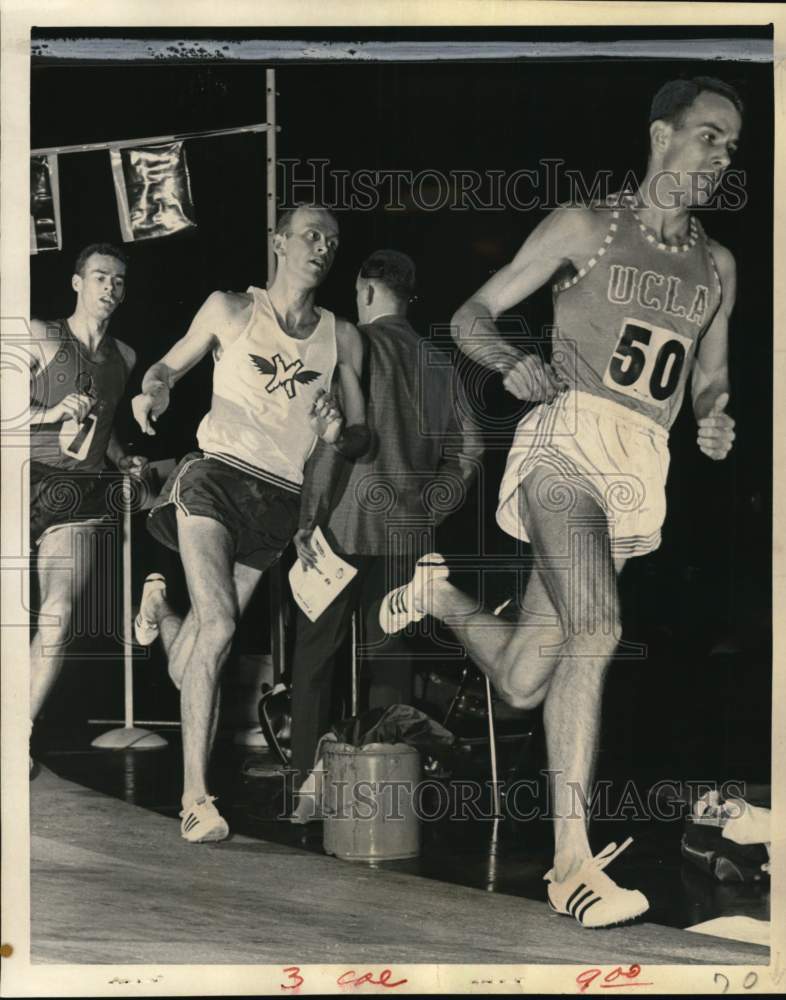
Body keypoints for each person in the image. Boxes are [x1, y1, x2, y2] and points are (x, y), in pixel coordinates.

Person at [380, 77, 740, 927]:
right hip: (564, 443)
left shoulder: (716, 265)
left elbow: (710, 376)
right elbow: (472, 315)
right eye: (708, 136)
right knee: (600, 627)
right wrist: (509, 362)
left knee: (524, 678)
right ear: (660, 135)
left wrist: (715, 416)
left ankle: (438, 597)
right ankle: (570, 862)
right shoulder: (587, 225)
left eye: (733, 145)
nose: (722, 157)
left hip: (639, 467)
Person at [131, 205, 367, 844]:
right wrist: (153, 392)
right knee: (224, 624)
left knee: (198, 655)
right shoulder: (231, 309)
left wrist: (336, 430)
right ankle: (194, 797)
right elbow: (166, 367)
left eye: (332, 240)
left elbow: (358, 435)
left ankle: (158, 611)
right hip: (214, 477)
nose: (322, 246)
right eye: (310, 235)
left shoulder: (342, 337)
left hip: (279, 502)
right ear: (279, 243)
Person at [289, 249, 481, 796]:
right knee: (390, 655)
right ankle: (386, 785)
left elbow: (332, 447)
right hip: (407, 533)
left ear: (367, 291)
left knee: (314, 658)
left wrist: (308, 517)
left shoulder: (354, 346)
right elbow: (468, 452)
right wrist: (431, 506)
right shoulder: (440, 362)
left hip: (341, 527)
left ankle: (307, 783)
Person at [29, 243, 147, 746]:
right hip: (18, 478)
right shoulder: (40, 335)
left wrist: (122, 458)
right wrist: (50, 415)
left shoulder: (124, 357)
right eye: (100, 277)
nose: (110, 288)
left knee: (57, 616)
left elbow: (107, 425)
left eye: (118, 281)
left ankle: (18, 734)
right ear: (78, 283)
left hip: (78, 493)